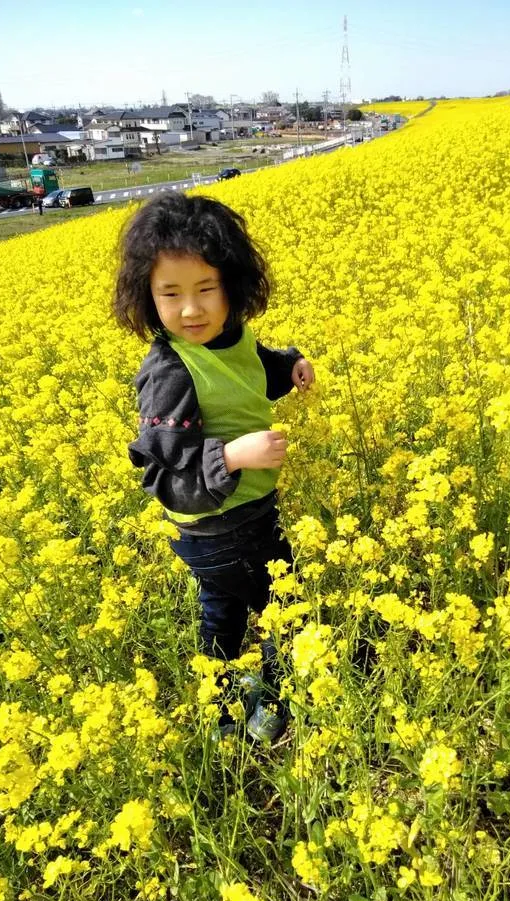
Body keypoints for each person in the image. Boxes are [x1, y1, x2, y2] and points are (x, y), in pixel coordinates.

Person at [113, 192, 315, 742]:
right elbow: (166, 466)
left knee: (222, 614)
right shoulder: (170, 372)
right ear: (146, 297)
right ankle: (275, 702)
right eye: (170, 294)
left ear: (233, 286)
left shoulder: (230, 338)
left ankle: (221, 708)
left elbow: (249, 368)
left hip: (240, 517)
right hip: (222, 526)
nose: (190, 310)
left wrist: (289, 367)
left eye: (206, 289)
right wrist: (231, 456)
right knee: (288, 610)